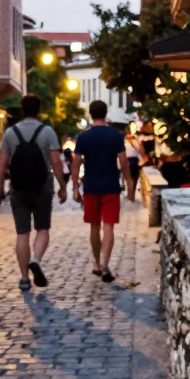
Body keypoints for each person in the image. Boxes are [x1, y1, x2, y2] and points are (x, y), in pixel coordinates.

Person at [0, 94, 67, 290]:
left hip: (18, 188)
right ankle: (36, 260)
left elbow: (2, 164)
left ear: (22, 110)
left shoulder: (10, 133)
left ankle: (24, 278)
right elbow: (56, 162)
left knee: (22, 233)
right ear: (39, 110)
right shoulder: (47, 132)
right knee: (42, 228)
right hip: (43, 186)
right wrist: (62, 187)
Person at [72, 100, 134, 283]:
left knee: (94, 226)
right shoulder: (115, 135)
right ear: (105, 114)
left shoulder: (83, 137)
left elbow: (76, 163)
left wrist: (75, 187)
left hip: (91, 186)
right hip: (111, 186)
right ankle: (105, 264)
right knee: (108, 226)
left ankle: (97, 263)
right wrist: (129, 182)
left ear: (90, 114)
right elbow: (123, 161)